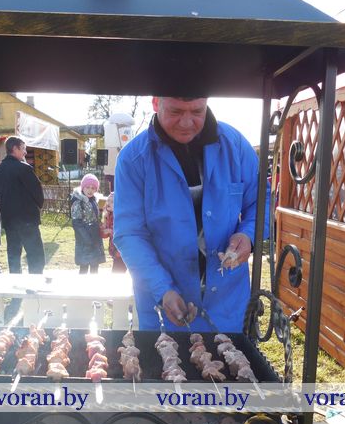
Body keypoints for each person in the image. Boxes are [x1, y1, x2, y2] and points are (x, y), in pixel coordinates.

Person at [114, 97, 269, 333]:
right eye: (176, 111)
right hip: (164, 306)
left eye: (197, 111)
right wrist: (162, 288)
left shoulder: (235, 146)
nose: (186, 123)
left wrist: (248, 235)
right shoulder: (133, 159)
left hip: (229, 308)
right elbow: (129, 233)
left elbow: (261, 201)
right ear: (156, 103)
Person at [0, 136, 45, 274]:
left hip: (9, 220)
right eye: (23, 149)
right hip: (27, 220)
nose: (25, 152)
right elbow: (37, 192)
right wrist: (39, 206)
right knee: (35, 255)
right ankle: (35, 282)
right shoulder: (24, 168)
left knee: (14, 255)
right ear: (14, 149)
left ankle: (15, 283)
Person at [71, 174, 105, 274]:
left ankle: (93, 283)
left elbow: (96, 217)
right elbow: (76, 223)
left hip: (95, 237)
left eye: (93, 188)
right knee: (84, 267)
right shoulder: (78, 202)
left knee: (95, 266)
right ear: (83, 187)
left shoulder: (94, 200)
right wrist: (86, 239)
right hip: (84, 239)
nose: (90, 190)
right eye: (87, 187)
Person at [100, 192, 126, 273]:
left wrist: (111, 231)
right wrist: (104, 228)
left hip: (121, 250)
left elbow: (123, 232)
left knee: (117, 273)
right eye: (108, 200)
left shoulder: (121, 217)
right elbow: (103, 235)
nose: (108, 203)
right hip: (114, 250)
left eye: (112, 202)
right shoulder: (108, 215)